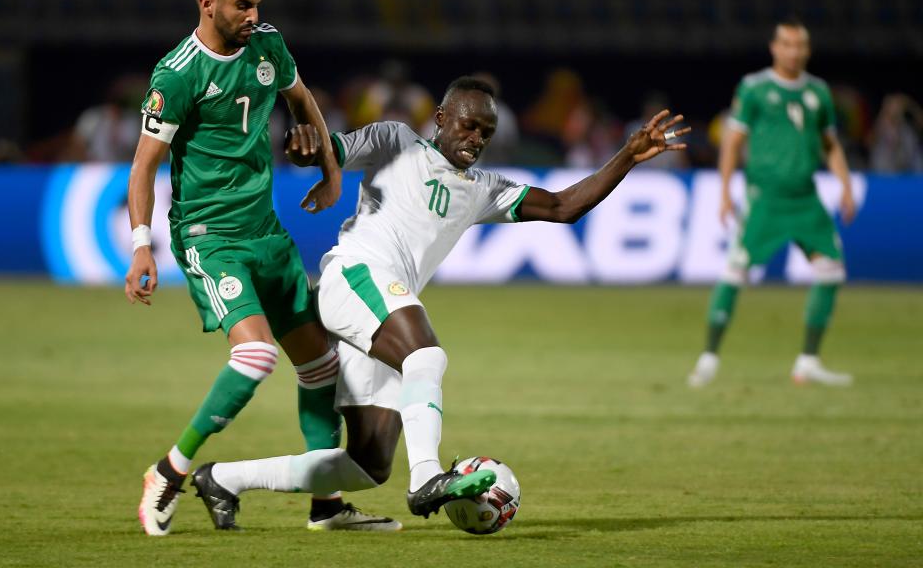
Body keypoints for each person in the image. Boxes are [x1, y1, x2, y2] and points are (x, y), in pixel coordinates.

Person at [187, 76, 689, 529]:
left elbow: (563, 206)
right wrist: (304, 146)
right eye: (469, 126)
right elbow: (327, 150)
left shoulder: (483, 190)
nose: (476, 140)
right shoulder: (395, 141)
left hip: (380, 312)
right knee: (426, 356)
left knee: (367, 465)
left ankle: (223, 478)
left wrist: (627, 154)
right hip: (356, 275)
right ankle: (426, 475)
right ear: (443, 118)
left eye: (486, 134)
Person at [126, 0, 397, 535]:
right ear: (209, 3)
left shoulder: (268, 46)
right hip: (209, 236)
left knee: (321, 366)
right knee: (254, 356)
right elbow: (143, 166)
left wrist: (331, 172)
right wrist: (141, 245)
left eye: (257, 3)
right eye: (241, 4)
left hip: (265, 232)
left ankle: (326, 508)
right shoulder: (177, 74)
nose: (252, 14)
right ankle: (168, 472)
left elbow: (305, 104)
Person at [687, 18, 857, 388]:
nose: (793, 51)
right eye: (787, 44)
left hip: (806, 198)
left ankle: (808, 361)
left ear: (807, 51)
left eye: (800, 45)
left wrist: (844, 185)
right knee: (736, 272)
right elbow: (732, 142)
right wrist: (724, 192)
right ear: (774, 48)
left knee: (831, 270)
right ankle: (708, 358)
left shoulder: (818, 93)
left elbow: (830, 145)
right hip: (766, 198)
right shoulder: (755, 89)